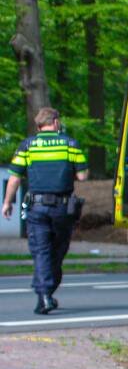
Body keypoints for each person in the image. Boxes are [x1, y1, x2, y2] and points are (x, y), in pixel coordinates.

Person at [2, 108, 88, 315]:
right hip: (63, 208)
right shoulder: (70, 144)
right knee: (57, 252)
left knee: (41, 252)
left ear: (39, 125)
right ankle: (46, 293)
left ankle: (44, 295)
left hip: (37, 207)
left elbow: (14, 178)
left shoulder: (27, 146)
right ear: (56, 123)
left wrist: (7, 202)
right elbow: (83, 176)